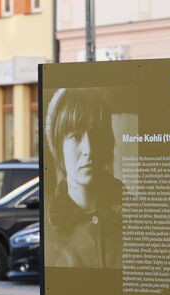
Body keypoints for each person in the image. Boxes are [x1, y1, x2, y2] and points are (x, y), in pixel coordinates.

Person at [44, 88, 123, 268]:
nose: (89, 149)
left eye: (96, 134)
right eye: (75, 137)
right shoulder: (47, 230)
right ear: (58, 146)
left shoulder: (136, 218)